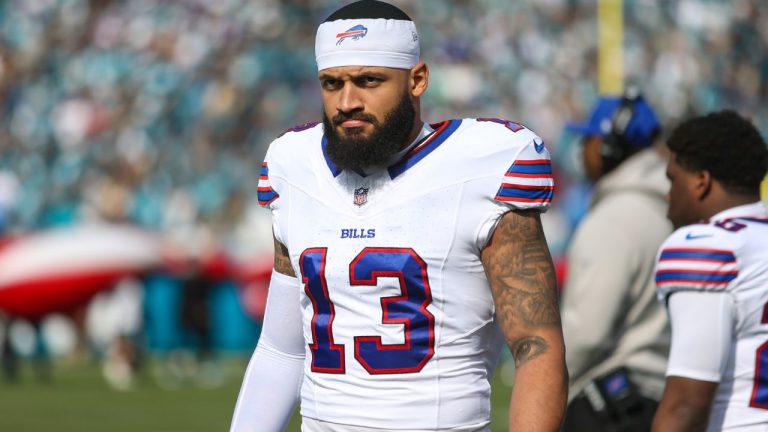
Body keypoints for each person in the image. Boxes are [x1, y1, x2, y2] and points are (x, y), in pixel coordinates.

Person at [229, 1, 567, 430]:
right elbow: (282, 350)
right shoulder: (292, 164)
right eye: (332, 84)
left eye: (369, 81)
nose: (347, 101)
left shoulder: (485, 162)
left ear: (417, 79)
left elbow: (537, 346)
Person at [560, 89, 672, 431]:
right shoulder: (667, 208)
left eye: (590, 139)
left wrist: (545, 385)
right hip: (659, 396)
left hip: (611, 404)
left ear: (611, 146)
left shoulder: (615, 218)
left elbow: (587, 333)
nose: (583, 150)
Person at [652, 110, 768, 431]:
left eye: (674, 180)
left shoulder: (709, 247)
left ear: (701, 182)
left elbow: (686, 404)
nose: (668, 194)